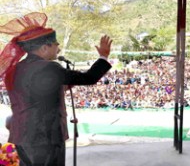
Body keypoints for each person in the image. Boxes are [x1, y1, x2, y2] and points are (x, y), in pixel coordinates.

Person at [0, 12, 112, 165]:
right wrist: (103, 57)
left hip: (21, 136)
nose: (58, 49)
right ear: (44, 47)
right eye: (55, 44)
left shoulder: (16, 69)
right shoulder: (48, 67)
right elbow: (88, 78)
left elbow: (38, 93)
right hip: (45, 137)